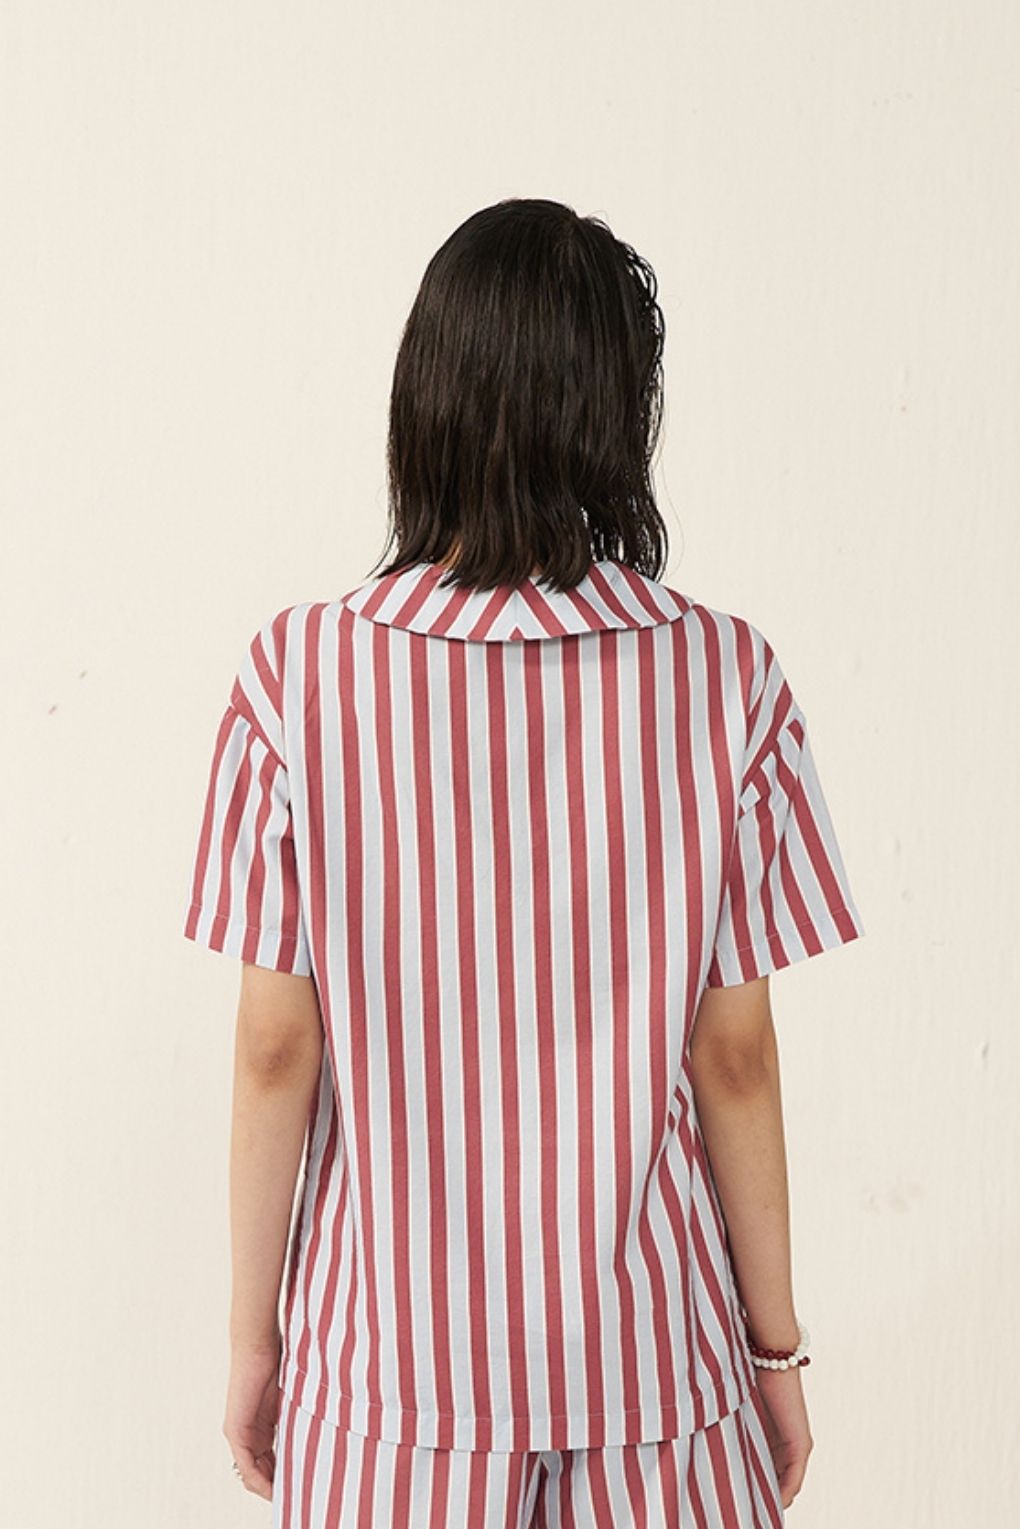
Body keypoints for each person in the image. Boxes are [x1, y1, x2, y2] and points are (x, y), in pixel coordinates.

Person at [183, 199, 865, 1528]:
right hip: (656, 1372)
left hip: (386, 1388)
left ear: (423, 401)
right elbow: (734, 1056)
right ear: (618, 414)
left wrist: (255, 1340)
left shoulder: (296, 681)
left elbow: (275, 1047)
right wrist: (774, 1351)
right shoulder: (725, 678)